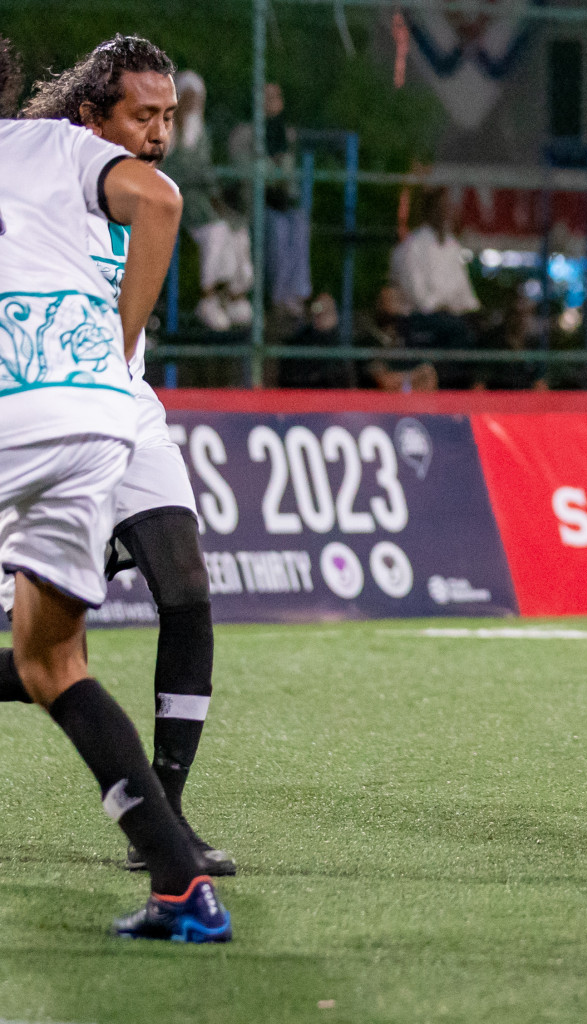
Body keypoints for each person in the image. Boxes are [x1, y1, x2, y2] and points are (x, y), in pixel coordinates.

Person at [0, 35, 230, 941]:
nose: (161, 132)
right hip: (92, 418)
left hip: (28, 411)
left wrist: (123, 345)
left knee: (179, 596)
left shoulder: (64, 149)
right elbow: (161, 203)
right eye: (148, 115)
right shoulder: (55, 149)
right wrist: (113, 355)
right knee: (51, 662)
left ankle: (170, 832)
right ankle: (180, 886)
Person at [158, 70, 254, 335]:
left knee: (237, 228)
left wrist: (215, 194)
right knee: (216, 231)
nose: (192, 103)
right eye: (187, 97)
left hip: (202, 195)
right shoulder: (166, 128)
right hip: (178, 196)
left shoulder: (200, 131)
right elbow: (166, 170)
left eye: (196, 98)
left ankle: (235, 294)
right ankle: (208, 296)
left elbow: (206, 169)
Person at [230, 82, 310, 316]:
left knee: (298, 221)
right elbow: (248, 171)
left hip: (281, 203)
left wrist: (275, 170)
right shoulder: (243, 133)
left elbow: (288, 176)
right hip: (254, 204)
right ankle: (280, 297)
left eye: (276, 97)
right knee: (277, 228)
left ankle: (298, 293)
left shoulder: (285, 134)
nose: (272, 102)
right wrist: (271, 168)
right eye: (267, 97)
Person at [389, 186, 479, 388]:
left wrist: (468, 310)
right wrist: (446, 305)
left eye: (449, 206)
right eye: (442, 207)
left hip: (452, 319)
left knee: (477, 332)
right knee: (458, 333)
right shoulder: (413, 246)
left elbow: (466, 294)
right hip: (420, 319)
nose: (447, 211)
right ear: (430, 210)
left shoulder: (452, 246)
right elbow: (419, 297)